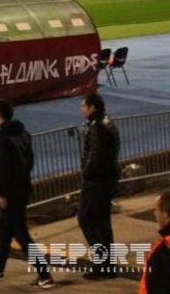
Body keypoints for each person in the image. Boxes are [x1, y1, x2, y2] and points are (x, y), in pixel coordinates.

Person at [0, 100, 53, 287]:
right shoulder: (24, 134)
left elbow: (1, 168)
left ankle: (44, 274)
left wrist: (1, 193)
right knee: (4, 230)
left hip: (10, 193)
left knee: (21, 234)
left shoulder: (0, 139)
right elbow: (30, 161)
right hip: (23, 187)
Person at [79, 91, 121, 280]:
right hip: (108, 178)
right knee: (103, 222)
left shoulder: (97, 127)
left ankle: (101, 262)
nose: (81, 110)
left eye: (84, 106)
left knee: (86, 219)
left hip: (98, 181)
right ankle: (108, 265)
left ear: (92, 107)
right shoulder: (107, 122)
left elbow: (95, 155)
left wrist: (86, 173)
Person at [141, 189, 170, 294]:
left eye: (156, 210)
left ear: (165, 214)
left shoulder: (161, 249)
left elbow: (151, 286)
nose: (154, 214)